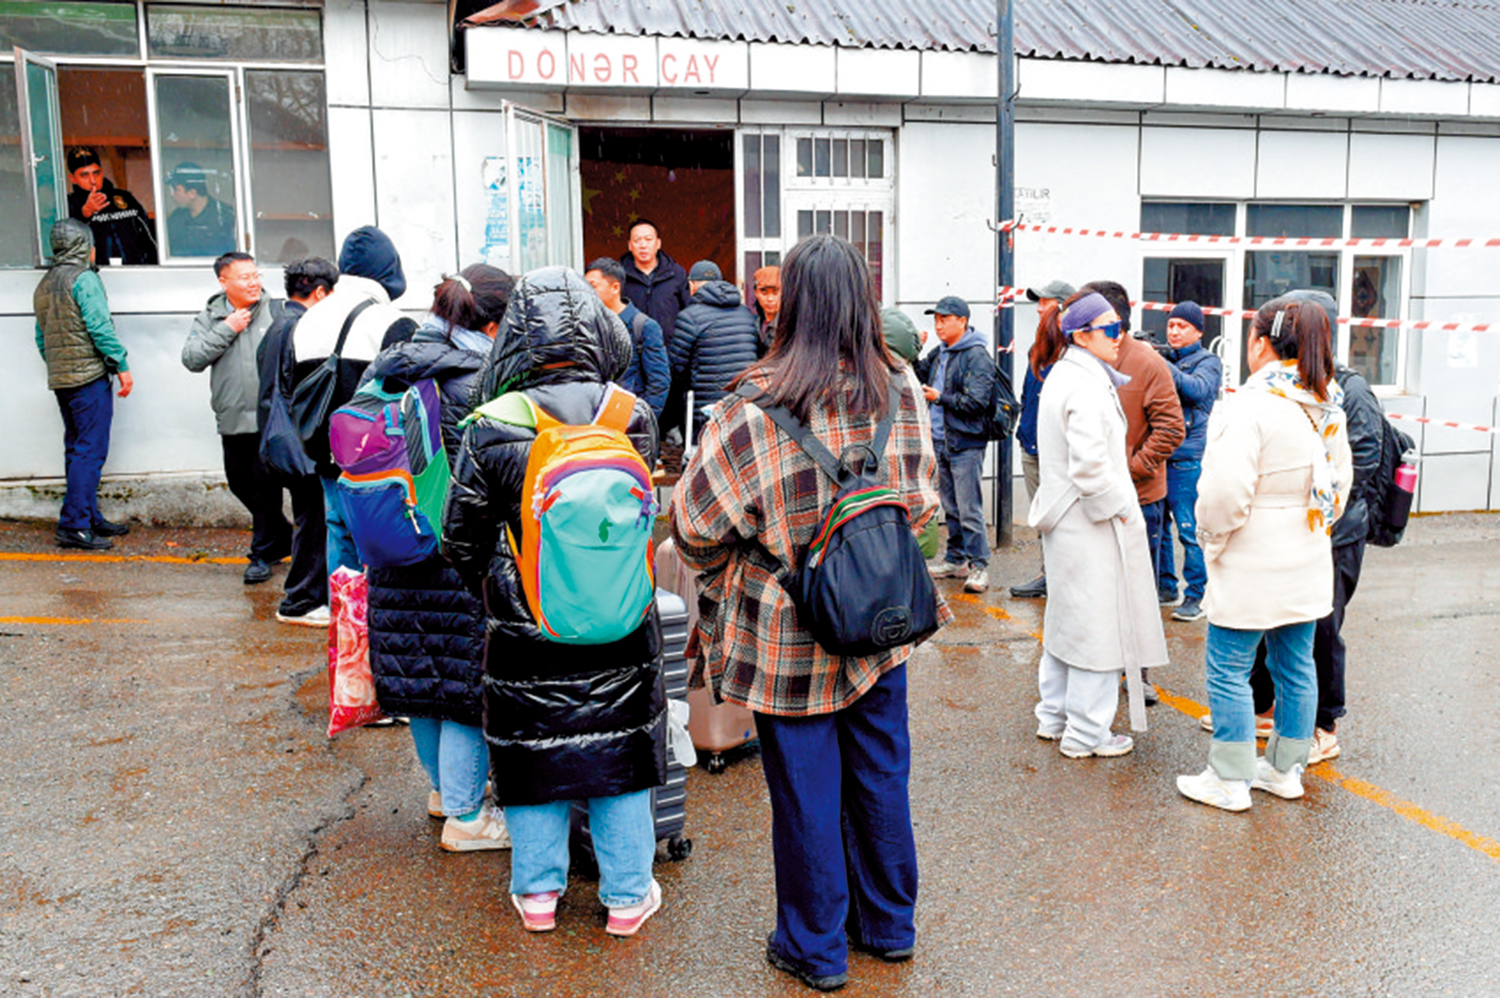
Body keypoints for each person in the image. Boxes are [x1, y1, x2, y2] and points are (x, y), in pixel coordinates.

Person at [671, 234, 948, 992]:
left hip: (784, 633)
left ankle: (815, 949)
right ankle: (889, 927)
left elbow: (695, 525)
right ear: (863, 299)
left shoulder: (751, 404)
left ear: (786, 302)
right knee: (883, 774)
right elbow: (921, 501)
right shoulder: (900, 388)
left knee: (805, 794)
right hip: (879, 623)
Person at [444, 266, 665, 938]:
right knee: (620, 753)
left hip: (525, 623)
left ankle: (538, 896)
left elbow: (462, 540)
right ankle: (627, 898)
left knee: (532, 751)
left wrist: (504, 589)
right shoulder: (633, 414)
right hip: (624, 617)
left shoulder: (490, 424)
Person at [1177, 296, 1352, 812]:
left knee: (1228, 665)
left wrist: (1213, 541)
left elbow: (1223, 495)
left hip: (1250, 552)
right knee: (1296, 664)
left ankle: (1229, 779)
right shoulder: (1325, 400)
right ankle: (1284, 770)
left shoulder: (1251, 404)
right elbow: (1340, 486)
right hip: (1306, 551)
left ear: (1258, 344)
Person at [365, 265, 514, 852]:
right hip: (454, 549)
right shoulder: (479, 381)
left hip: (394, 539)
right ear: (495, 323)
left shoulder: (395, 364)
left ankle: (441, 791)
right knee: (461, 684)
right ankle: (465, 814)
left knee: (419, 671)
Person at [1240, 290, 1385, 764]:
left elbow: (1361, 463)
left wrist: (1315, 502)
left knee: (1323, 630)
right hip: (1297, 530)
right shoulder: (1293, 384)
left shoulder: (1349, 388)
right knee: (1276, 625)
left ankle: (1325, 725)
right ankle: (1268, 709)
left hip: (1336, 534)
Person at [1028, 291, 1168, 759]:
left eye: (1120, 326)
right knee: (1097, 628)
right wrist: (1119, 509)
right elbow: (1090, 467)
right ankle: (1087, 733)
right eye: (1109, 328)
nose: (1119, 335)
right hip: (1090, 523)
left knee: (1068, 620)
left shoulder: (1068, 373)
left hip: (1069, 520)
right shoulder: (1084, 383)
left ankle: (1055, 716)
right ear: (1082, 334)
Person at [290, 226, 417, 576]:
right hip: (380, 458)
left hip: (326, 452)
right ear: (388, 269)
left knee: (339, 529)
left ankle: (346, 622)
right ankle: (377, 619)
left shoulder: (309, 317)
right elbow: (410, 394)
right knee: (381, 538)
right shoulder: (391, 321)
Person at [1081, 280, 1183, 702]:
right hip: (1093, 499)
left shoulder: (1147, 363)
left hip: (1141, 500)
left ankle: (1138, 674)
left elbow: (1171, 428)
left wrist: (1131, 470)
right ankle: (1099, 666)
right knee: (1097, 589)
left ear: (1114, 323)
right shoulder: (1083, 361)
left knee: (1138, 590)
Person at [182, 252, 292, 583]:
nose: (253, 282)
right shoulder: (211, 317)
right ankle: (283, 536)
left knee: (264, 489)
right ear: (223, 281)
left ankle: (261, 554)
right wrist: (227, 329)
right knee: (239, 483)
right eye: (244, 277)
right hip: (231, 418)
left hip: (269, 419)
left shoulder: (277, 313)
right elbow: (191, 359)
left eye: (256, 275)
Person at [34, 219, 135, 550]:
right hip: (88, 378)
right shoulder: (84, 279)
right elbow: (99, 326)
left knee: (77, 450)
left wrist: (60, 367)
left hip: (62, 379)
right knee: (90, 451)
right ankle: (74, 525)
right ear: (84, 247)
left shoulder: (45, 284)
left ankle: (89, 516)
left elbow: (41, 337)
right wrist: (120, 364)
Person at [257, 258, 338, 625]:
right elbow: (286, 395)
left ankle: (306, 597)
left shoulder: (280, 323)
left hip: (285, 441)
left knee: (312, 519)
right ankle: (301, 601)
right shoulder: (297, 326)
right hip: (296, 444)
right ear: (320, 292)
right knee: (313, 520)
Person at [921, 295, 996, 594]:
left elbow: (976, 402)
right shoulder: (939, 352)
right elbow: (917, 375)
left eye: (945, 319)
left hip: (966, 443)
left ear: (962, 321)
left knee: (969, 508)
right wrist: (913, 350)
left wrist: (940, 397)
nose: (939, 325)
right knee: (950, 507)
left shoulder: (977, 355)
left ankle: (980, 566)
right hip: (941, 440)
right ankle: (956, 561)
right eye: (936, 319)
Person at [1011, 278, 1076, 599]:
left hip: (1056, 452)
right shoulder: (1038, 348)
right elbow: (1028, 394)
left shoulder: (1074, 351)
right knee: (1042, 519)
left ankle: (1064, 576)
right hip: (1031, 445)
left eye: (1045, 302)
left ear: (1063, 306)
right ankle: (1048, 575)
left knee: (1062, 517)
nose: (1038, 308)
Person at [1157, 301, 1222, 622]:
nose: (1174, 331)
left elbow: (1196, 391)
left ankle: (1196, 595)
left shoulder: (1208, 362)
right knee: (1159, 528)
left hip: (1186, 459)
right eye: (1171, 325)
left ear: (1198, 330)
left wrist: (1162, 364)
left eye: (1182, 326)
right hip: (1159, 455)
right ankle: (1165, 587)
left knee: (1189, 529)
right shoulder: (1166, 357)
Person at [669, 260, 762, 438]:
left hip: (704, 411)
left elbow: (676, 369)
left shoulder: (689, 317)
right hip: (743, 405)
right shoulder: (745, 314)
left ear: (691, 286)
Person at [584, 256, 670, 419]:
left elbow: (659, 382)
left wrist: (641, 421)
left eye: (593, 286)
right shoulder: (588, 325)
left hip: (628, 419)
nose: (587, 292)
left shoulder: (643, 326)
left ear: (615, 288)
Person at [65, 148, 157, 266]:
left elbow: (148, 236)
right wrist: (84, 215)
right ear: (73, 178)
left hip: (136, 272)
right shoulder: (68, 204)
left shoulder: (124, 197)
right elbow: (65, 246)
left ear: (102, 172)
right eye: (84, 175)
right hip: (96, 276)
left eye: (96, 173)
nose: (92, 180)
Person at [619, 218, 691, 345]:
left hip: (669, 351)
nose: (643, 245)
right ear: (630, 245)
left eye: (648, 239)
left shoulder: (676, 273)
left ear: (658, 243)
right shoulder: (619, 276)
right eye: (637, 240)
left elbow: (688, 312)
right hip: (631, 352)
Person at [166, 163, 236, 258]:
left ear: (192, 193)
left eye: (176, 190)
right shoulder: (176, 218)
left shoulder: (225, 216)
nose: (172, 194)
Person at [750, 264, 781, 352]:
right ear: (756, 292)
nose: (770, 299)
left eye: (775, 292)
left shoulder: (789, 325)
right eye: (764, 292)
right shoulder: (754, 324)